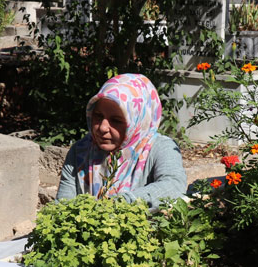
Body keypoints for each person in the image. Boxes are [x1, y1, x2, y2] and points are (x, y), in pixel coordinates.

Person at [56, 73, 187, 210]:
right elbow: (62, 206)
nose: (102, 127)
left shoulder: (161, 148)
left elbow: (173, 185)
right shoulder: (81, 151)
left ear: (137, 120)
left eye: (116, 121)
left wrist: (120, 204)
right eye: (98, 116)